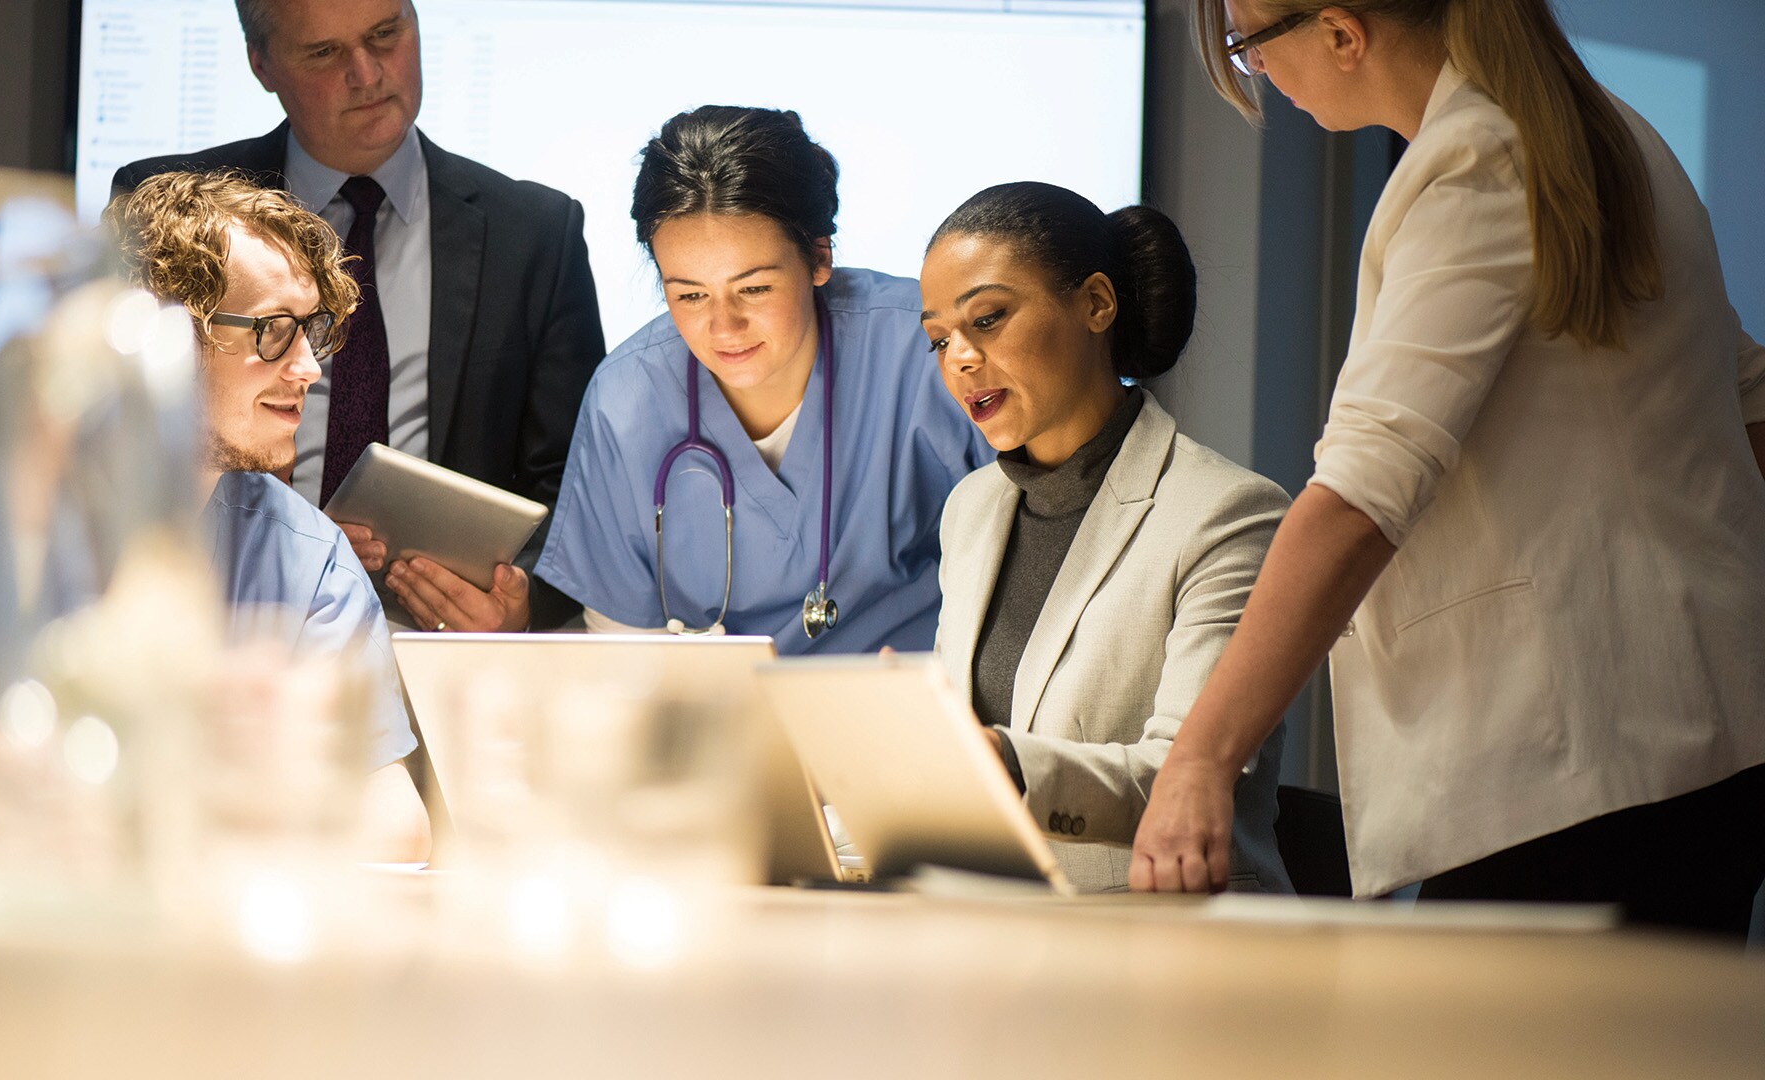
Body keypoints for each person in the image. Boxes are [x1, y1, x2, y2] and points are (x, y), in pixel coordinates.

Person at [1129, 0, 1765, 933]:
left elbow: (1361, 493)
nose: (1260, 76)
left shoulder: (1476, 159)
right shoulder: (1611, 133)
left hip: (1584, 765)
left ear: (1342, 33)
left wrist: (1200, 759)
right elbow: (1747, 401)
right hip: (1682, 745)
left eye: (1251, 50)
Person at [402, 105, 990, 652]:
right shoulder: (627, 402)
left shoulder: (930, 351)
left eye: (754, 287)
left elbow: (1037, 566)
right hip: (716, 734)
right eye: (688, 294)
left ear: (818, 256)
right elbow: (625, 653)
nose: (723, 326)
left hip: (922, 717)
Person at [111, 0, 604, 630]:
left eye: (385, 34)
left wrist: (521, 601)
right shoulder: (172, 207)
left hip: (447, 644)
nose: (368, 74)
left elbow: (578, 487)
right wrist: (283, 536)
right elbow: (117, 432)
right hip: (227, 617)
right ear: (261, 63)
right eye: (325, 52)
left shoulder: (535, 232)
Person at [922, 183, 1291, 893]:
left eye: (988, 320)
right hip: (1000, 940)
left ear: (1096, 303)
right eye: (939, 338)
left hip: (1172, 941)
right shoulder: (971, 507)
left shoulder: (1229, 513)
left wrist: (1001, 759)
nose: (959, 359)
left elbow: (1185, 776)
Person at [104, 170, 430, 860]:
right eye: (275, 332)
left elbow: (394, 826)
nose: (309, 368)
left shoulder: (309, 557)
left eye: (312, 330)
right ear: (165, 335)